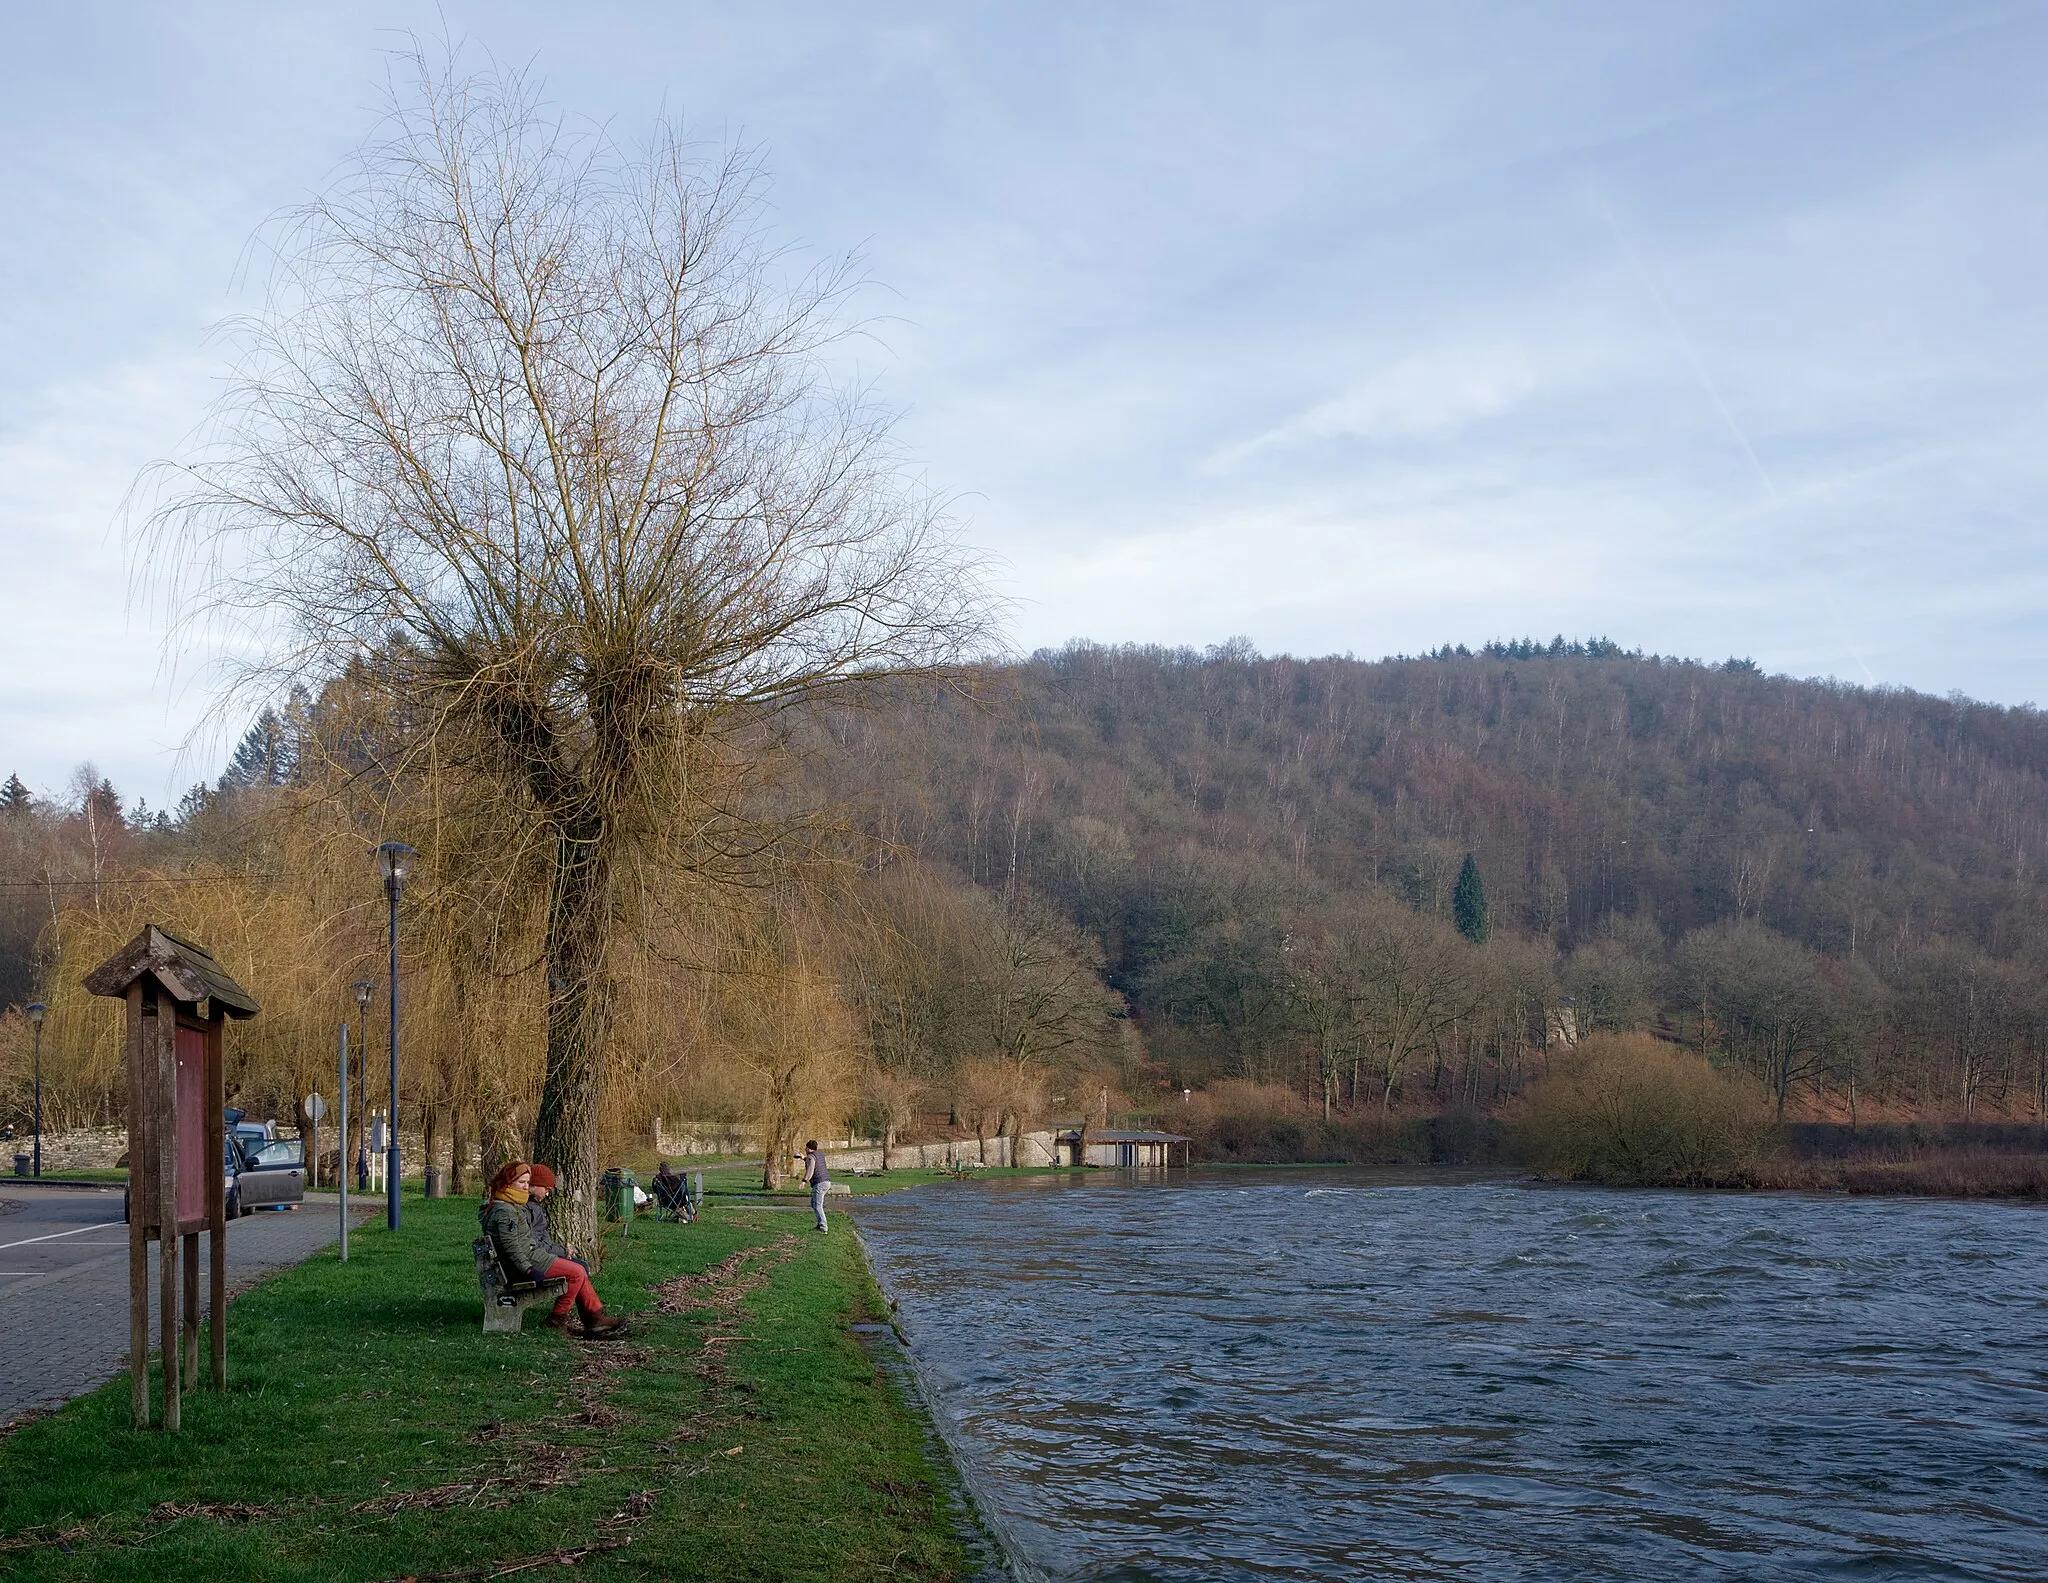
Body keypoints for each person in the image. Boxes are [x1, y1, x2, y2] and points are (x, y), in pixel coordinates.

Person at [481, 1160, 627, 1339]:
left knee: (578, 1270)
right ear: (508, 1182)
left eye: (528, 1182)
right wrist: (528, 1269)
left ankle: (595, 1319)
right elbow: (511, 1247)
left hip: (532, 1257)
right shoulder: (505, 1210)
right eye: (521, 1182)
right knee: (577, 1273)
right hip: (524, 1264)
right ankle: (557, 1320)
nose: (526, 1187)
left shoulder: (510, 1205)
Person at [525, 1165, 583, 1272]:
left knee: (581, 1266)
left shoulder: (535, 1207)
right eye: (546, 1189)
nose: (547, 1194)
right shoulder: (529, 1209)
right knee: (579, 1269)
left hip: (541, 1255)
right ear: (534, 1185)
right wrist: (563, 1252)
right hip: (535, 1260)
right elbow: (533, 1243)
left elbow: (543, 1239)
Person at [802, 1139, 830, 1233]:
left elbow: (810, 1170)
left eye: (806, 1147)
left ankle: (823, 1228)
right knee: (814, 1204)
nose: (805, 1149)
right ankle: (819, 1225)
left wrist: (804, 1181)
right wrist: (803, 1158)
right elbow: (812, 1161)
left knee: (818, 1206)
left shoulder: (810, 1156)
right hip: (826, 1182)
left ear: (808, 1148)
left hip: (819, 1183)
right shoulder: (819, 1154)